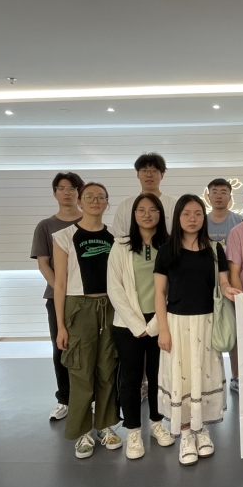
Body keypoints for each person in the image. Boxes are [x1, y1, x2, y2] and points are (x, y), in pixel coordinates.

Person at [154, 195, 241, 465]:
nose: (193, 219)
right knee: (181, 379)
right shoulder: (167, 250)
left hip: (207, 323)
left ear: (204, 218)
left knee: (204, 376)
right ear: (178, 217)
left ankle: (201, 429)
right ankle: (185, 434)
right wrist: (163, 330)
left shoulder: (215, 249)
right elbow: (159, 293)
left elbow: (222, 282)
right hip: (177, 323)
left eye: (198, 214)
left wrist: (229, 289)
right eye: (187, 214)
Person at [53, 182, 121, 459]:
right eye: (89, 196)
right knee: (80, 370)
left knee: (107, 368)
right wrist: (60, 326)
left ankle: (105, 426)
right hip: (78, 308)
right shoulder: (64, 236)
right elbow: (59, 284)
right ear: (80, 201)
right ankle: (82, 432)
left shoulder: (116, 236)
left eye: (101, 197)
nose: (95, 200)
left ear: (107, 202)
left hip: (111, 307)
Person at [107, 193, 174, 459]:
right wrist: (138, 325)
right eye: (141, 210)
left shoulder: (170, 245)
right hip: (127, 325)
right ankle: (133, 431)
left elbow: (173, 287)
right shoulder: (120, 246)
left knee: (159, 376)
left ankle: (157, 423)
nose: (147, 215)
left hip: (162, 322)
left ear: (161, 214)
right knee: (131, 378)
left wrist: (155, 324)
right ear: (133, 215)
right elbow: (114, 289)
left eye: (153, 210)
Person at [30, 172, 84, 422]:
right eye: (61, 188)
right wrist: (63, 291)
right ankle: (64, 399)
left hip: (89, 298)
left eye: (72, 188)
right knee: (61, 347)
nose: (67, 192)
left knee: (90, 350)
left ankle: (90, 399)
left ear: (79, 193)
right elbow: (43, 264)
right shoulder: (45, 226)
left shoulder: (90, 222)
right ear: (54, 193)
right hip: (57, 298)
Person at [205, 178, 243, 392]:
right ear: (208, 196)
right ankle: (210, 380)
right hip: (205, 286)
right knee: (207, 333)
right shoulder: (200, 221)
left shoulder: (240, 221)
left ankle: (236, 376)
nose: (219, 195)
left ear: (230, 197)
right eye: (215, 192)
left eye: (223, 192)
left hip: (232, 285)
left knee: (233, 332)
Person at [112, 153, 177, 237]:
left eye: (154, 171)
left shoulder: (174, 204)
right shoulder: (125, 204)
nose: (149, 175)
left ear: (162, 175)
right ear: (138, 174)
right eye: (144, 171)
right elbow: (117, 236)